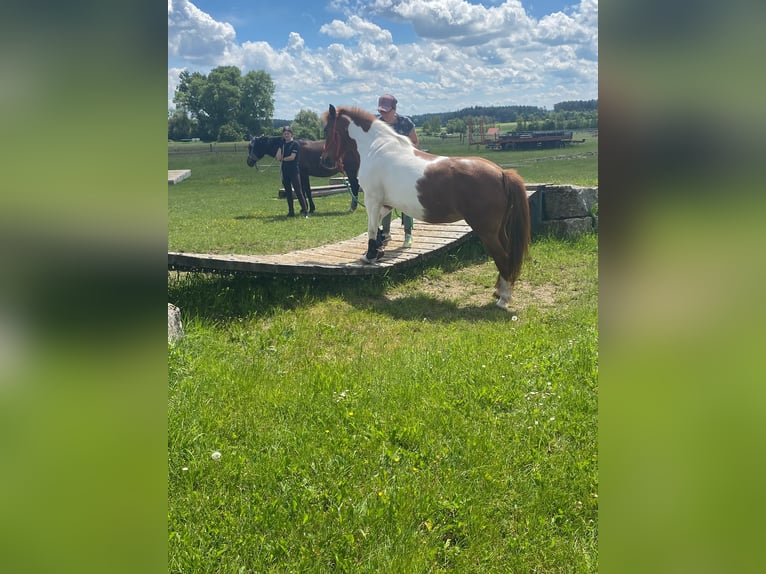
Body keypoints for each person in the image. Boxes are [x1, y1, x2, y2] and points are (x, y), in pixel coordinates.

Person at [375, 94, 418, 248]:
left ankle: (408, 233)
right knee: (385, 200)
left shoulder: (405, 122)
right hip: (385, 169)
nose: (383, 114)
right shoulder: (377, 124)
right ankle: (385, 233)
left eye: (386, 111)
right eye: (381, 111)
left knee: (405, 200)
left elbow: (415, 142)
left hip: (404, 167)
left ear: (395, 109)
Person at [276, 126, 309, 218]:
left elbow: (292, 157)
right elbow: (277, 157)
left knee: (298, 191)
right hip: (285, 172)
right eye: (285, 134)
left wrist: (282, 159)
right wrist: (280, 147)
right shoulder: (282, 145)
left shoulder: (295, 144)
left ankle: (305, 211)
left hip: (294, 171)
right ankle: (291, 212)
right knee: (288, 192)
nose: (286, 135)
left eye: (288, 133)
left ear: (291, 134)